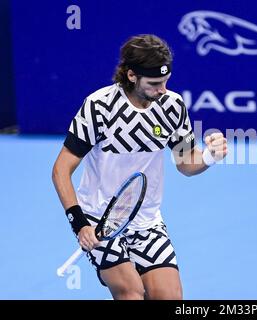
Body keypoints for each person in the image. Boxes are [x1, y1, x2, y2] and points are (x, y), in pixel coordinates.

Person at [52, 34, 227, 300]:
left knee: (169, 297)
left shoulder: (172, 106)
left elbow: (186, 163)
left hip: (147, 222)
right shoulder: (99, 107)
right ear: (131, 75)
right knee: (131, 292)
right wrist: (80, 224)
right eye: (155, 83)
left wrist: (209, 156)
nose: (163, 90)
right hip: (99, 219)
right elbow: (61, 170)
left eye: (166, 81)